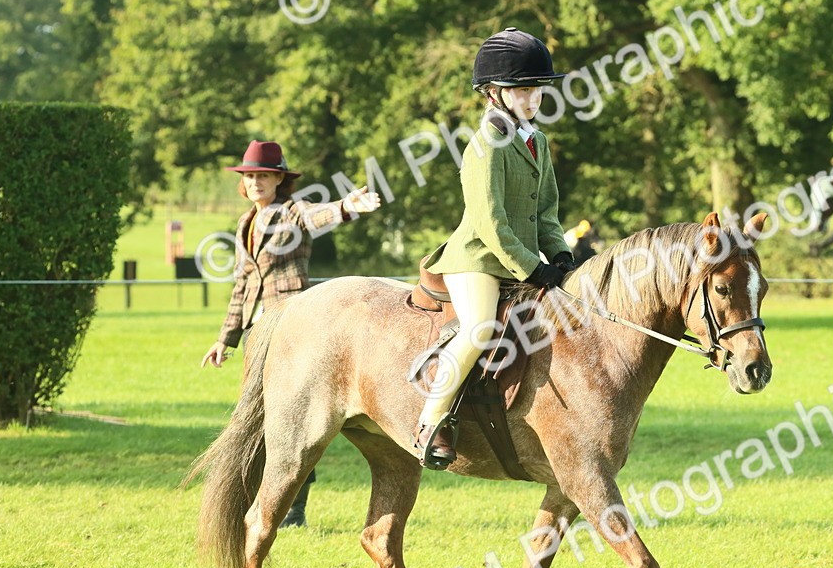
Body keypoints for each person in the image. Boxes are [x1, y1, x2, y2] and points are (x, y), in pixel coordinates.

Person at [412, 27, 575, 468]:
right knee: (480, 328)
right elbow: (490, 222)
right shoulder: (485, 145)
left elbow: (546, 213)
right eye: (521, 91)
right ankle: (431, 419)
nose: (533, 99)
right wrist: (531, 267)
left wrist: (559, 254)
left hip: (521, 261)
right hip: (477, 259)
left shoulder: (537, 142)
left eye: (537, 89)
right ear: (492, 93)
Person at [201, 140, 381, 526]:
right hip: (257, 333)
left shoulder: (291, 212)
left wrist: (347, 207)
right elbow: (240, 285)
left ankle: (294, 509)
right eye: (250, 177)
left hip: (294, 331)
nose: (256, 183)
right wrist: (225, 338)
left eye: (263, 176)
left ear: (279, 179)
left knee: (294, 419)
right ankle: (255, 500)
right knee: (257, 419)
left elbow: (319, 216)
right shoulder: (245, 223)